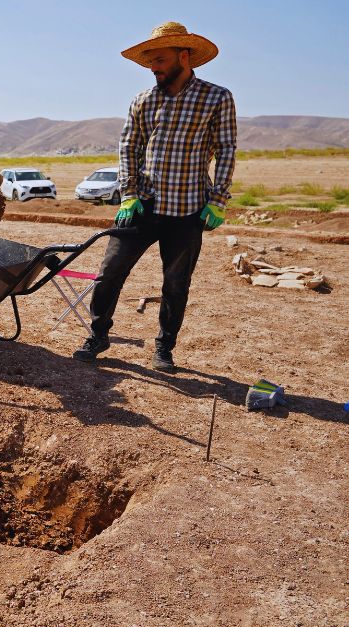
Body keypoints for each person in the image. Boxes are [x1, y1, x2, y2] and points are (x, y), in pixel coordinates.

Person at [73, 22, 236, 372]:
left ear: (184, 55)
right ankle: (98, 335)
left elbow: (226, 150)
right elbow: (129, 148)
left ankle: (164, 348)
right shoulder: (143, 101)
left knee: (176, 284)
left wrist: (218, 200)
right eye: (150, 63)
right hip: (142, 206)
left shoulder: (216, 97)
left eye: (160, 60)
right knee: (109, 272)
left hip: (189, 210)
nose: (154, 68)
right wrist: (128, 194)